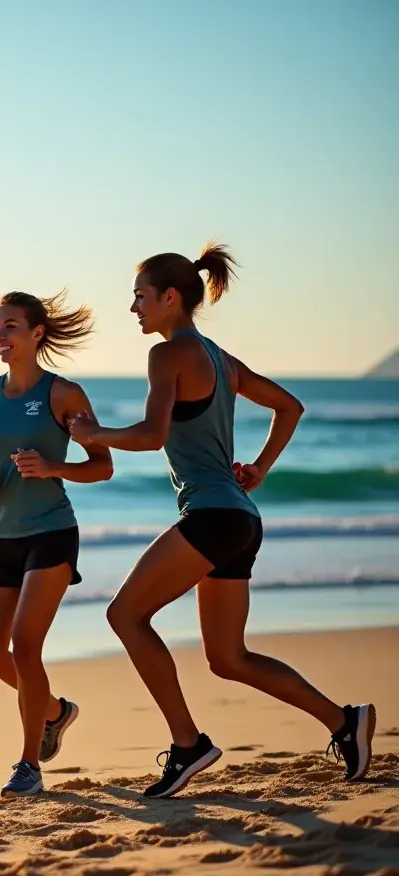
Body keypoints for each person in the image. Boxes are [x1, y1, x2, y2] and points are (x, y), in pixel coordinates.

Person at [70, 242, 375, 798]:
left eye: (140, 298)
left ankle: (187, 744)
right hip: (241, 518)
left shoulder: (168, 356)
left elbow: (151, 434)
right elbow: (291, 407)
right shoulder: (219, 357)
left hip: (211, 516)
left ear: (170, 298)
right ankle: (344, 721)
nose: (133, 308)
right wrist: (259, 466)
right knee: (228, 657)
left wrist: (95, 436)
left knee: (126, 616)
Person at [0, 291, 112, 797]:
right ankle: (56, 712)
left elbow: (103, 465)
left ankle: (28, 766)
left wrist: (54, 467)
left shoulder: (64, 394)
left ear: (37, 333)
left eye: (11, 326)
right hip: (4, 537)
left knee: (24, 645)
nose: (1, 336)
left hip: (53, 532)